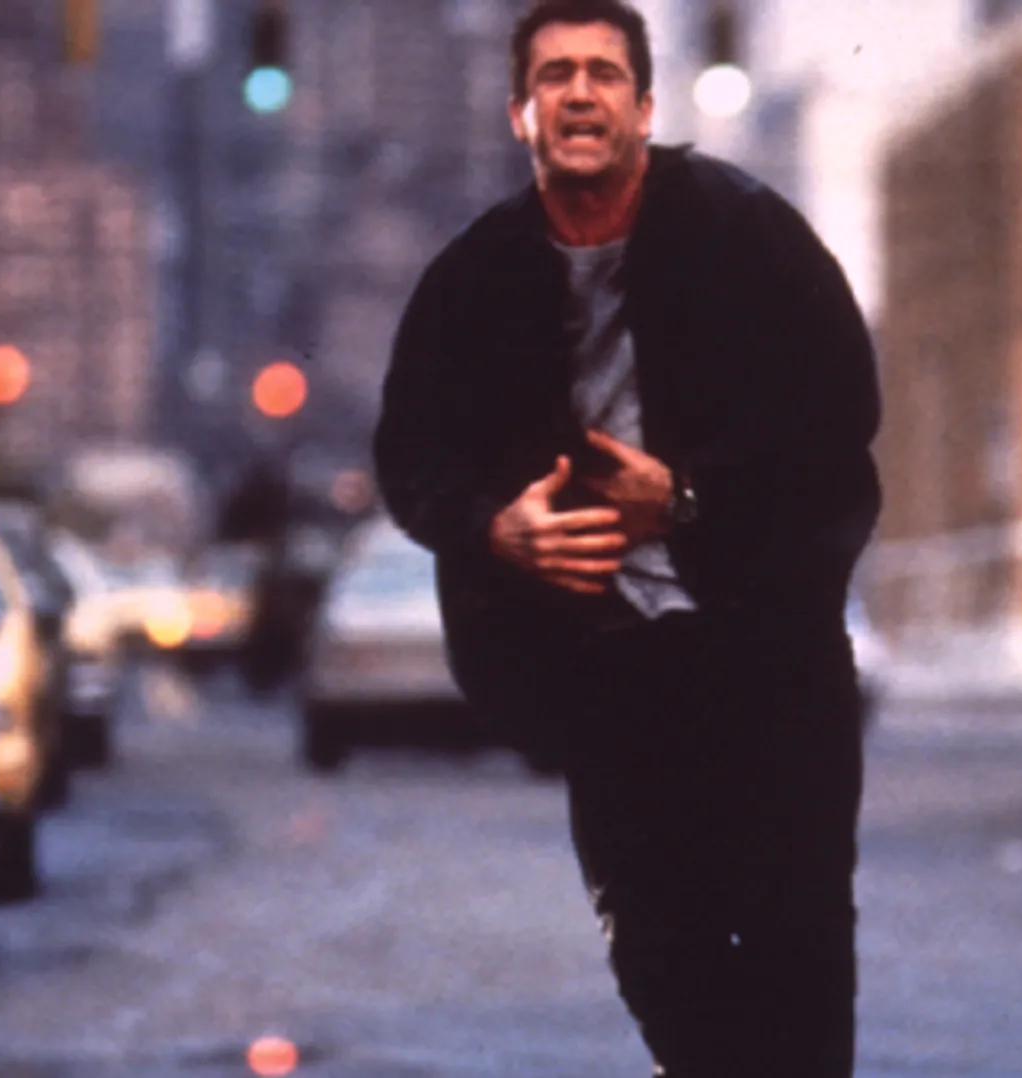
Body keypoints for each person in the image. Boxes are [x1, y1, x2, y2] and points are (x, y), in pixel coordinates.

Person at [372, 1, 880, 1073]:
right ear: (520, 113)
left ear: (646, 108)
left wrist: (689, 498)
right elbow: (412, 452)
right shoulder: (474, 276)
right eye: (554, 75)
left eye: (603, 73)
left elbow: (836, 427)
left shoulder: (749, 235)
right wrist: (492, 528)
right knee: (657, 948)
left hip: (767, 652)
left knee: (797, 947)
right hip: (609, 664)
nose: (579, 94)